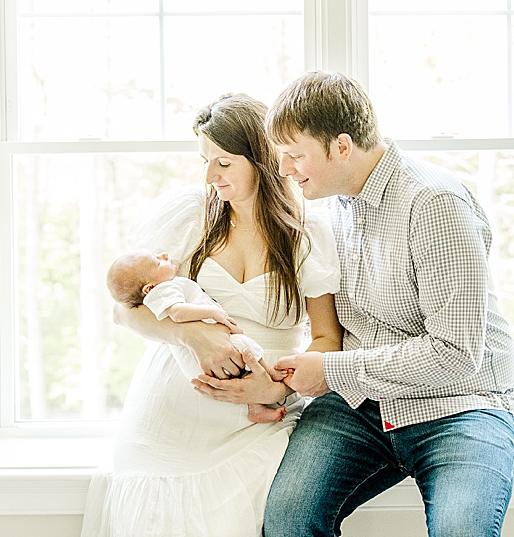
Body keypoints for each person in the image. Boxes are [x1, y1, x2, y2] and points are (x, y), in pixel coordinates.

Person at [256, 71, 514, 536]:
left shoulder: (434, 202)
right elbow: (327, 333)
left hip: (460, 406)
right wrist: (285, 387)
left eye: (295, 155)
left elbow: (456, 354)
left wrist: (332, 371)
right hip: (359, 407)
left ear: (342, 147)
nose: (284, 170)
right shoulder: (326, 211)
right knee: (287, 522)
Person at [81, 93, 344, 537]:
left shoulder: (307, 232)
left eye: (223, 163)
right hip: (167, 423)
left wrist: (274, 388)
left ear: (262, 159)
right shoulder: (189, 217)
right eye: (205, 161)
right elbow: (124, 313)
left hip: (257, 420)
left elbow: (326, 341)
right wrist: (192, 338)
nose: (209, 176)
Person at [104, 249, 290, 423]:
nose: (164, 255)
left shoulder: (161, 289)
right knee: (244, 346)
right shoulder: (164, 290)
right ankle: (269, 372)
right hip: (206, 356)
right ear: (149, 288)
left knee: (242, 373)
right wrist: (211, 313)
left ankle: (255, 408)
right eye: (158, 262)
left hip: (204, 361)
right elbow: (178, 313)